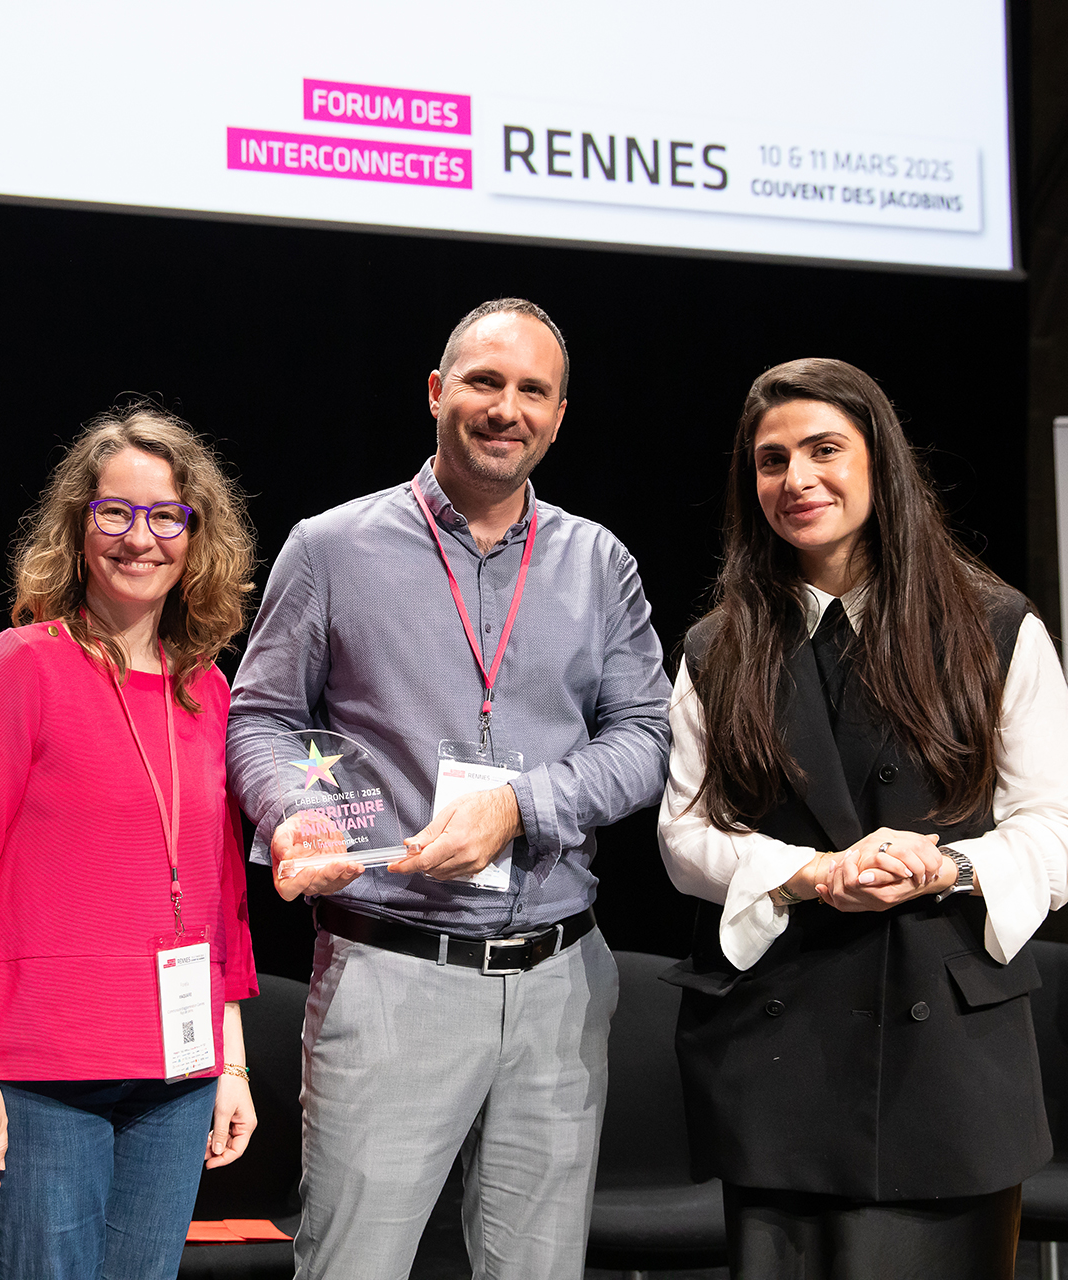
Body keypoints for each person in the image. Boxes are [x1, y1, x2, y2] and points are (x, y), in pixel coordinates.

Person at [226, 298, 673, 1279]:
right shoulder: (332, 548)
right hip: (391, 968)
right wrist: (300, 812)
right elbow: (264, 717)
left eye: (531, 390)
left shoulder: (600, 564)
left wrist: (522, 806)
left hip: (559, 977)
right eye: (483, 380)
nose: (504, 406)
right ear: (436, 392)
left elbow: (646, 739)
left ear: (558, 416)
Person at [657, 357, 1068, 1278]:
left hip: (947, 1061)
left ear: (880, 463)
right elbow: (685, 836)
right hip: (780, 1054)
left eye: (826, 450)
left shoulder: (993, 626)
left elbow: (1066, 828)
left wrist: (949, 867)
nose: (798, 480)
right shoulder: (717, 646)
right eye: (772, 460)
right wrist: (812, 874)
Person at [0, 404, 260, 1280]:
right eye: (115, 512)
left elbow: (220, 893)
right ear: (79, 526)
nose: (139, 538)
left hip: (174, 1079)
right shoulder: (23, 665)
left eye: (165, 516)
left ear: (195, 535)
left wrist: (234, 1062)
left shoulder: (208, 690)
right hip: (40, 1072)